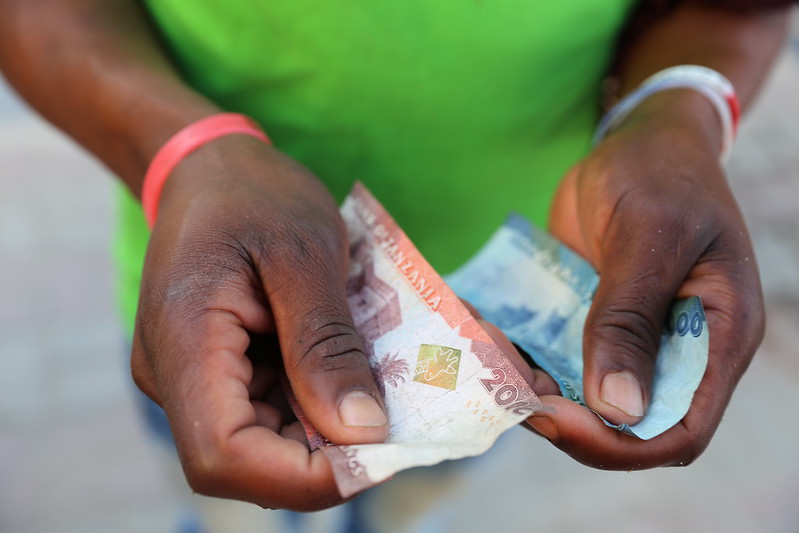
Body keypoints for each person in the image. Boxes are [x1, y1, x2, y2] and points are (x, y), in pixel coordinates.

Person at [0, 0, 792, 522]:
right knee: (235, 508)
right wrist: (180, 148)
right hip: (219, 310)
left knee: (418, 499)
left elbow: (735, 8)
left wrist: (672, 118)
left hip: (510, 319)